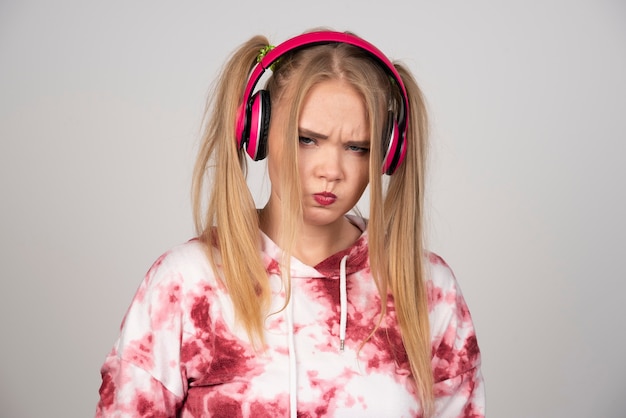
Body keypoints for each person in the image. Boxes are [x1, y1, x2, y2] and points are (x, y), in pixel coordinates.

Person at [95, 28, 485, 418]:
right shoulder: (187, 283)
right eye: (306, 139)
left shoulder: (426, 288)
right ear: (257, 131)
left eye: (357, 147)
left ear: (387, 154)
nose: (331, 171)